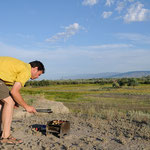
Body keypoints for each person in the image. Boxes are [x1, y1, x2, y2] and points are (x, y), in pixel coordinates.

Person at [0, 56, 45, 144]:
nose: (37, 77)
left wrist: (16, 101)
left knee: (2, 103)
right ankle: (5, 137)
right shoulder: (26, 70)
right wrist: (26, 106)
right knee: (9, 102)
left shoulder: (20, 66)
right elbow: (14, 91)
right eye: (39, 74)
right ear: (35, 69)